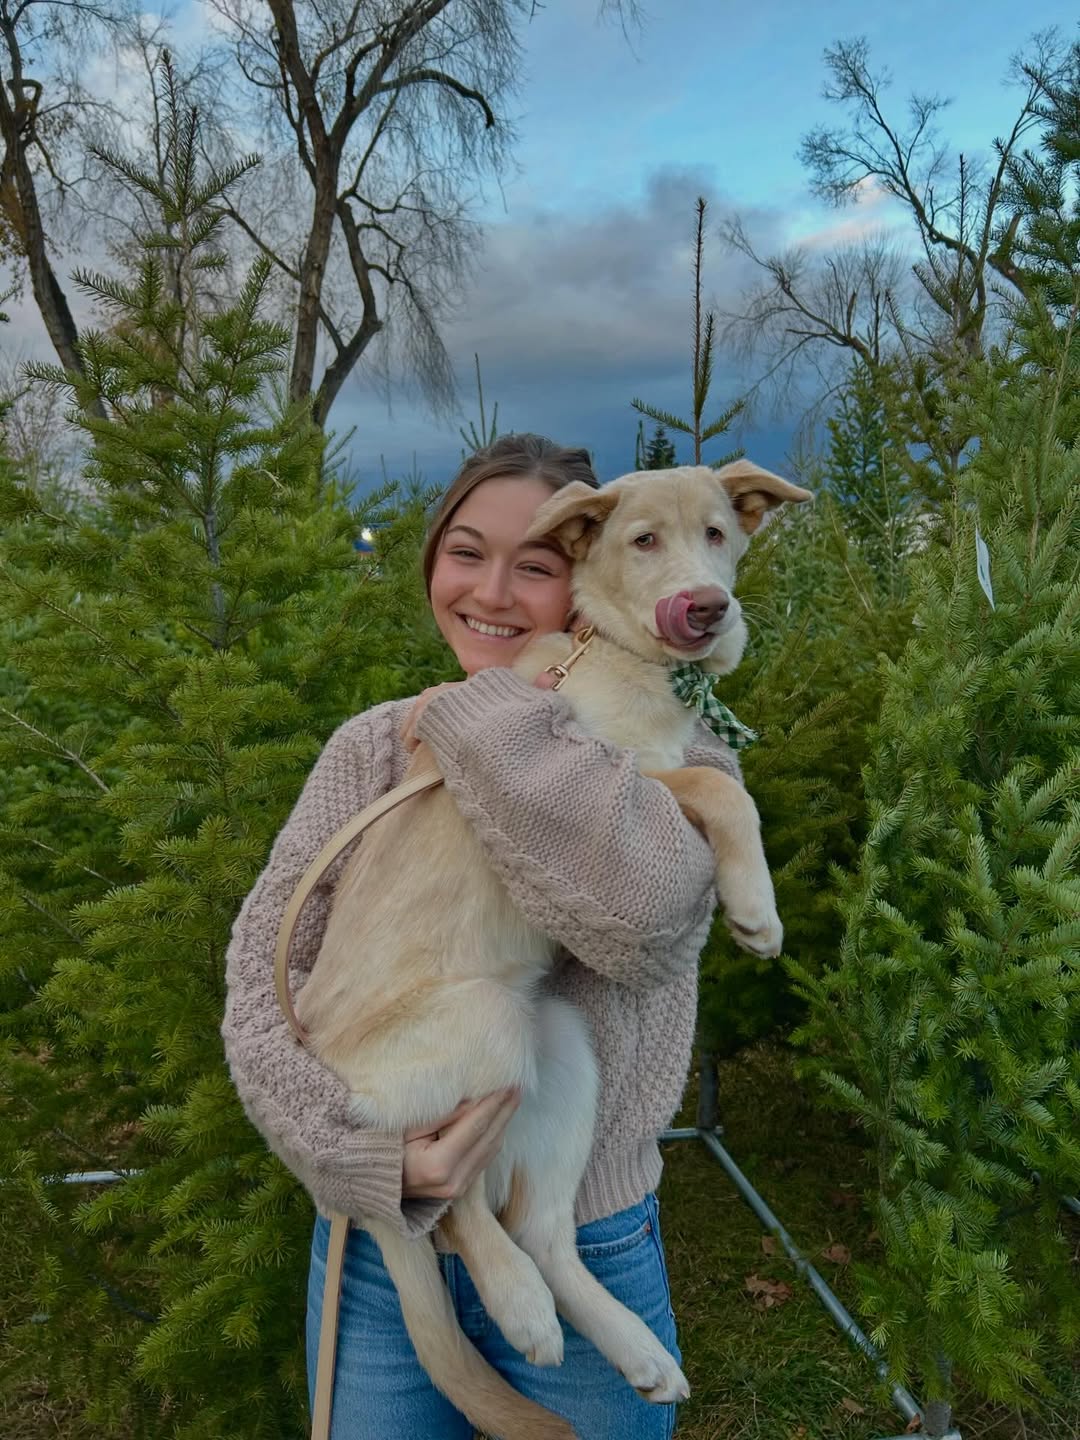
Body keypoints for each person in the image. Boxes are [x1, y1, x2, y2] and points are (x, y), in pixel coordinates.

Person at [222, 433, 744, 1439]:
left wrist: (495, 714)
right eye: (465, 552)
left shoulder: (680, 745)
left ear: (591, 573)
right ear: (431, 566)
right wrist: (367, 1164)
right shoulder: (372, 742)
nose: (494, 590)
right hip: (378, 1240)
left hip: (587, 1231)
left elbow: (642, 925)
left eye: (537, 564)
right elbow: (261, 981)